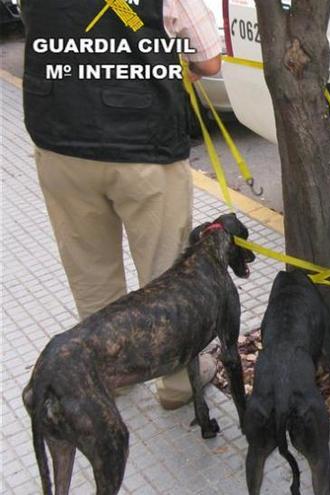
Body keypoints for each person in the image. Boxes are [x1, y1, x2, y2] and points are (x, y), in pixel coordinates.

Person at [21, 0, 223, 409]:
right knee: (167, 274)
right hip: (143, 145)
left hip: (61, 138)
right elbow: (210, 62)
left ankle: (106, 374)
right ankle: (179, 385)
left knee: (90, 271)